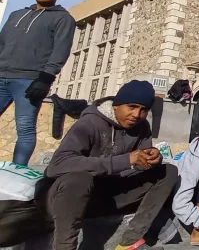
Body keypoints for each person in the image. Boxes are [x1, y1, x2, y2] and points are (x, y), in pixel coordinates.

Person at [39, 80, 178, 250]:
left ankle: (129, 242)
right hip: (67, 199)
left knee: (168, 171)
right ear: (116, 106)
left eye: (143, 110)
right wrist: (125, 160)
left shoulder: (142, 127)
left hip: (107, 197)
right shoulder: (89, 123)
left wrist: (151, 159)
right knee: (79, 179)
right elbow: (57, 165)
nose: (136, 114)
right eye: (132, 106)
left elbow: (138, 164)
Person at [0, 0, 75, 165]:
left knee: (24, 128)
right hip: (1, 76)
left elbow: (61, 50)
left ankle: (16, 171)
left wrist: (46, 78)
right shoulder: (16, 15)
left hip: (29, 80)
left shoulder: (63, 18)